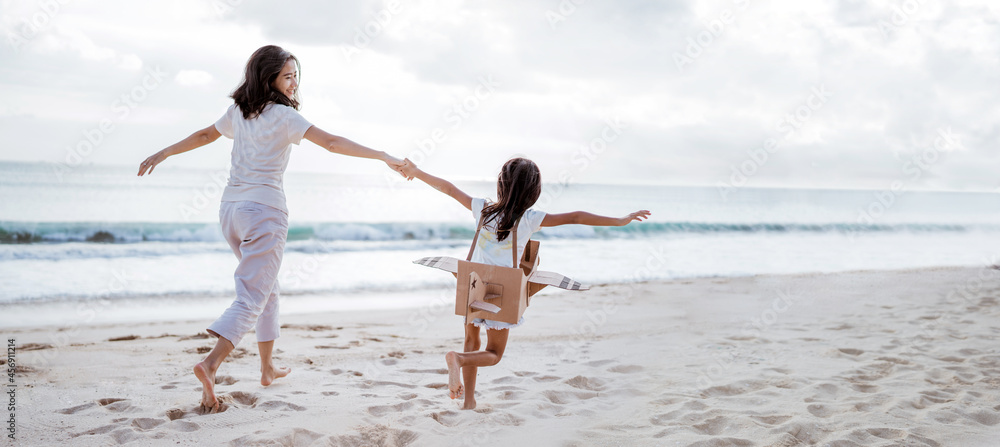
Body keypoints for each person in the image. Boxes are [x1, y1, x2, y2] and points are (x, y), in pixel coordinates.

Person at [137, 45, 407, 412]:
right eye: (287, 77)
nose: (294, 83)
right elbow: (331, 142)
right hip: (264, 213)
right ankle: (211, 363)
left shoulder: (239, 112)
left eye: (296, 75)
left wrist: (163, 153)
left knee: (268, 290)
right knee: (252, 295)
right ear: (269, 79)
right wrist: (382, 155)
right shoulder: (284, 116)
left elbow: (204, 136)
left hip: (230, 212)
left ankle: (266, 369)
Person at [397, 157, 650, 409]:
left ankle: (469, 400)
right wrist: (619, 220)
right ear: (533, 192)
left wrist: (417, 172)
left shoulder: (482, 209)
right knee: (494, 353)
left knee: (471, 341)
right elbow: (575, 217)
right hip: (502, 290)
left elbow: (449, 189)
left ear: (501, 184)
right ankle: (459, 361)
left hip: (472, 282)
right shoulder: (530, 219)